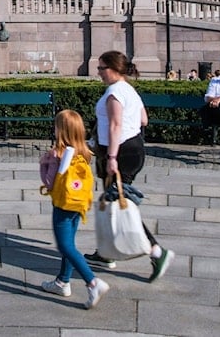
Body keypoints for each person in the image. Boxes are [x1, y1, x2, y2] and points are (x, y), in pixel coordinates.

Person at [83, 50, 175, 281]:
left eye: (102, 68)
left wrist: (112, 157)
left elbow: (115, 125)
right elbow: (144, 119)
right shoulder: (129, 90)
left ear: (114, 69)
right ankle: (107, 252)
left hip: (120, 152)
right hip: (132, 148)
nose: (99, 73)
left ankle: (157, 251)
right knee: (114, 200)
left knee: (123, 205)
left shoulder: (114, 92)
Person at [38, 109, 110, 309]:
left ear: (61, 131)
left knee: (65, 246)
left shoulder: (57, 154)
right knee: (70, 242)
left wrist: (44, 163)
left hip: (62, 203)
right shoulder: (84, 152)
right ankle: (62, 281)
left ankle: (92, 282)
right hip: (78, 203)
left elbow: (50, 182)